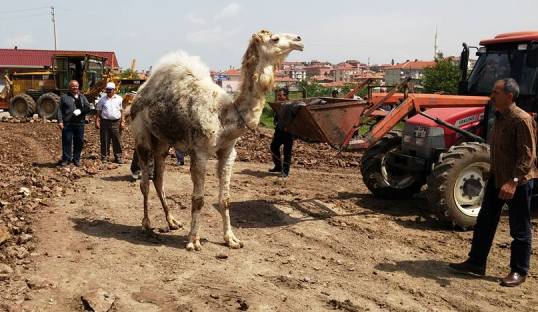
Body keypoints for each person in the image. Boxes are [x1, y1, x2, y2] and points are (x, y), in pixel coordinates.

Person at [449, 78, 537, 287]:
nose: (491, 95)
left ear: (509, 96)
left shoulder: (521, 119)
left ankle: (519, 271)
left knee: (520, 228)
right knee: (485, 222)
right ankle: (476, 262)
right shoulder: (499, 117)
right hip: (497, 178)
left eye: (496, 92)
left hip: (517, 183)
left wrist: (513, 181)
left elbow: (527, 156)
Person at [57, 80, 91, 167]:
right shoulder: (64, 97)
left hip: (80, 123)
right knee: (67, 141)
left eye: (76, 86)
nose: (75, 87)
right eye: (73, 86)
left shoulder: (82, 97)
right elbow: (59, 110)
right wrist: (60, 121)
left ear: (78, 87)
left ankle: (76, 159)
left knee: (79, 141)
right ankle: (66, 159)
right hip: (68, 123)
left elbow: (88, 107)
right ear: (69, 87)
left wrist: (82, 111)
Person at [95, 82, 125, 163]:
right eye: (107, 90)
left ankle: (118, 157)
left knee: (117, 140)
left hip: (116, 122)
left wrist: (123, 121)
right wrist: (97, 121)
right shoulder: (102, 100)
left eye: (109, 90)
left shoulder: (119, 99)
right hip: (105, 122)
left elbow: (122, 111)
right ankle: (105, 157)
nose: (108, 92)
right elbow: (98, 111)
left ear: (114, 90)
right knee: (104, 140)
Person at [269, 88, 294, 178]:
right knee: (273, 147)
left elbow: (296, 118)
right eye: (278, 95)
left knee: (287, 152)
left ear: (286, 95)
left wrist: (290, 127)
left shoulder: (291, 105)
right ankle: (278, 167)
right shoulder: (279, 104)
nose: (279, 97)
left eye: (281, 95)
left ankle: (285, 172)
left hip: (288, 132)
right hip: (279, 130)